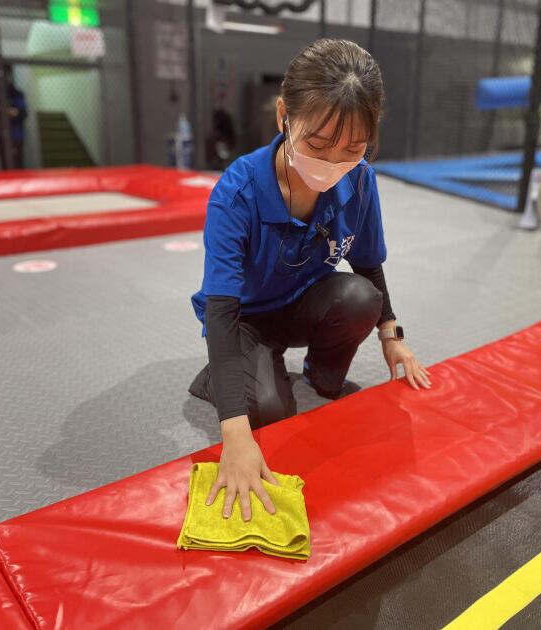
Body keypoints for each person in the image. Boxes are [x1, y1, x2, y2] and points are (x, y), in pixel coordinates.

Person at [188, 39, 432, 523]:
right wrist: (234, 438)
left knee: (360, 297)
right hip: (245, 317)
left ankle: (322, 375)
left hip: (302, 303)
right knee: (272, 413)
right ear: (284, 116)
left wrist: (393, 337)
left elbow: (367, 264)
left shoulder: (359, 179)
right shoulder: (237, 192)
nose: (332, 163)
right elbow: (221, 308)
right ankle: (219, 375)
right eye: (318, 145)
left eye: (353, 149)